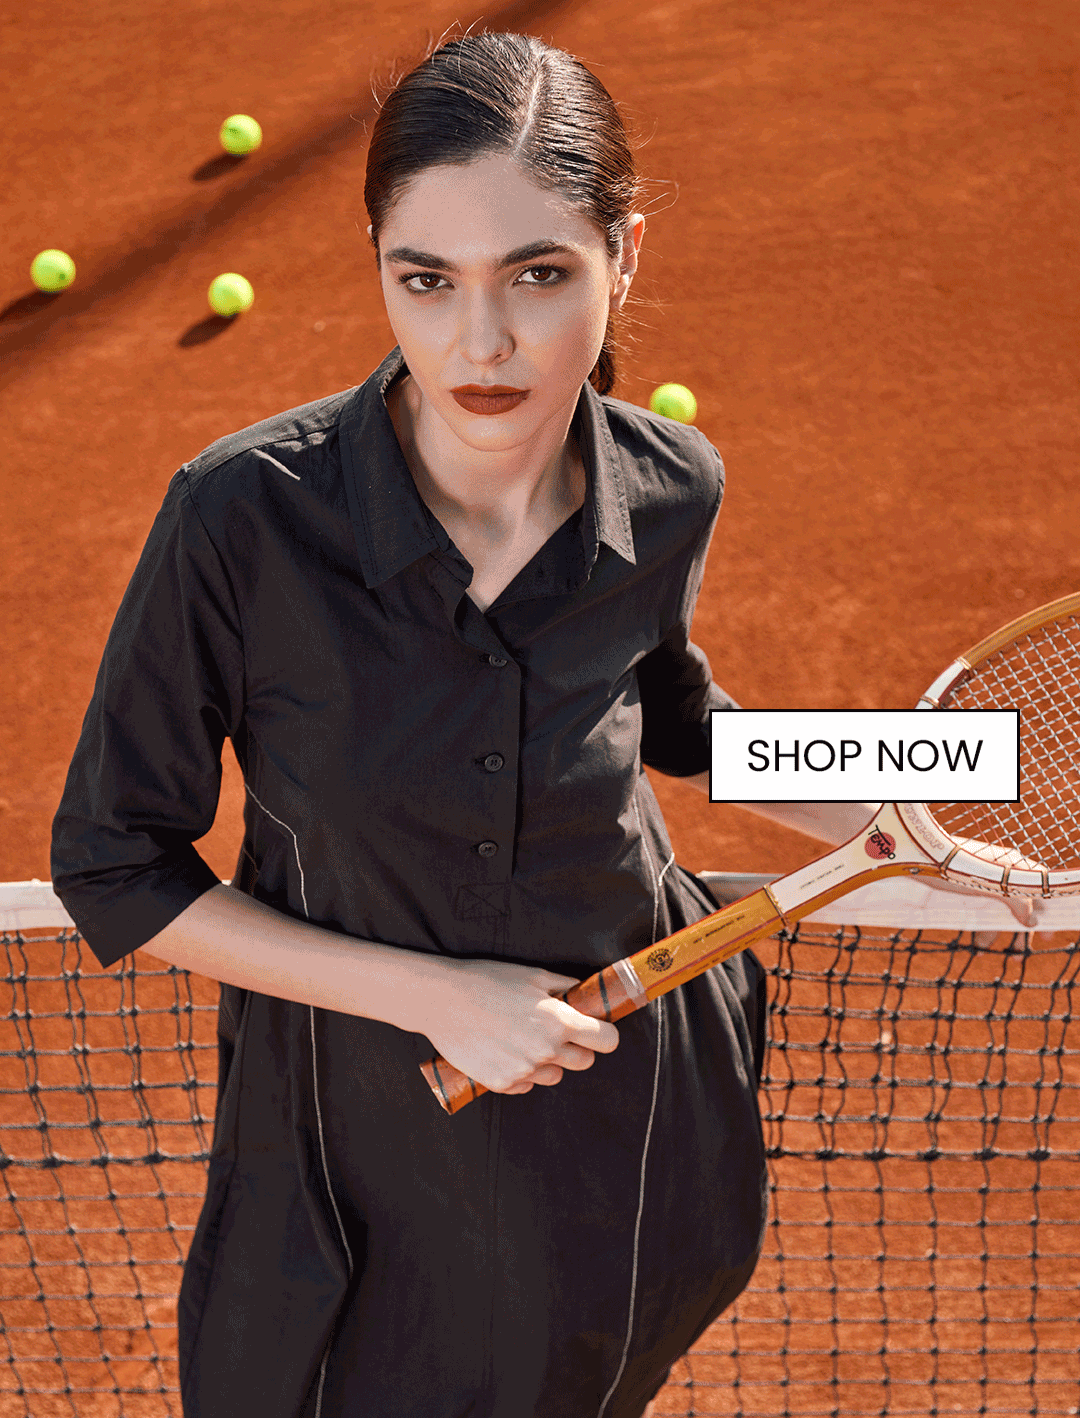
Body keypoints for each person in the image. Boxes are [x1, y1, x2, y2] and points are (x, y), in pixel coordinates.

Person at [51, 30, 880, 1418]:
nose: (476, 344)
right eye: (423, 280)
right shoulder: (242, 518)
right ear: (378, 261)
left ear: (624, 254)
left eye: (540, 275)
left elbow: (676, 719)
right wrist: (440, 996)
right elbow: (111, 860)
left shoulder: (673, 482)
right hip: (360, 1145)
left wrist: (935, 789)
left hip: (629, 1093)